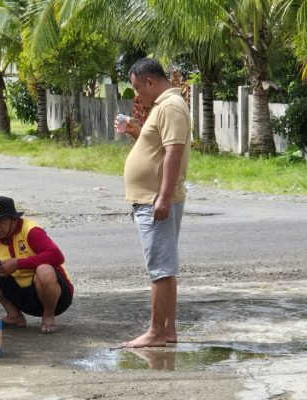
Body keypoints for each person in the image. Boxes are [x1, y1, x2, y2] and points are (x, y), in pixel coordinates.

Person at [116, 58, 190, 348]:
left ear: (150, 81)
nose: (136, 94)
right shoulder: (164, 107)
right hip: (152, 198)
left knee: (159, 269)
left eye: (136, 87)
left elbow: (173, 153)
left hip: (154, 201)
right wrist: (135, 130)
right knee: (165, 267)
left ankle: (157, 332)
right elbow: (157, 148)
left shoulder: (170, 106)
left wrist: (163, 196)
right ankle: (167, 331)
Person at [0, 196, 73, 334]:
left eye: (1, 220)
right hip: (23, 297)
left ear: (14, 219)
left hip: (57, 297)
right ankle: (14, 316)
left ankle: (48, 316)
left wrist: (18, 264)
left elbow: (57, 255)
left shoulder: (31, 231)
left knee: (44, 269)